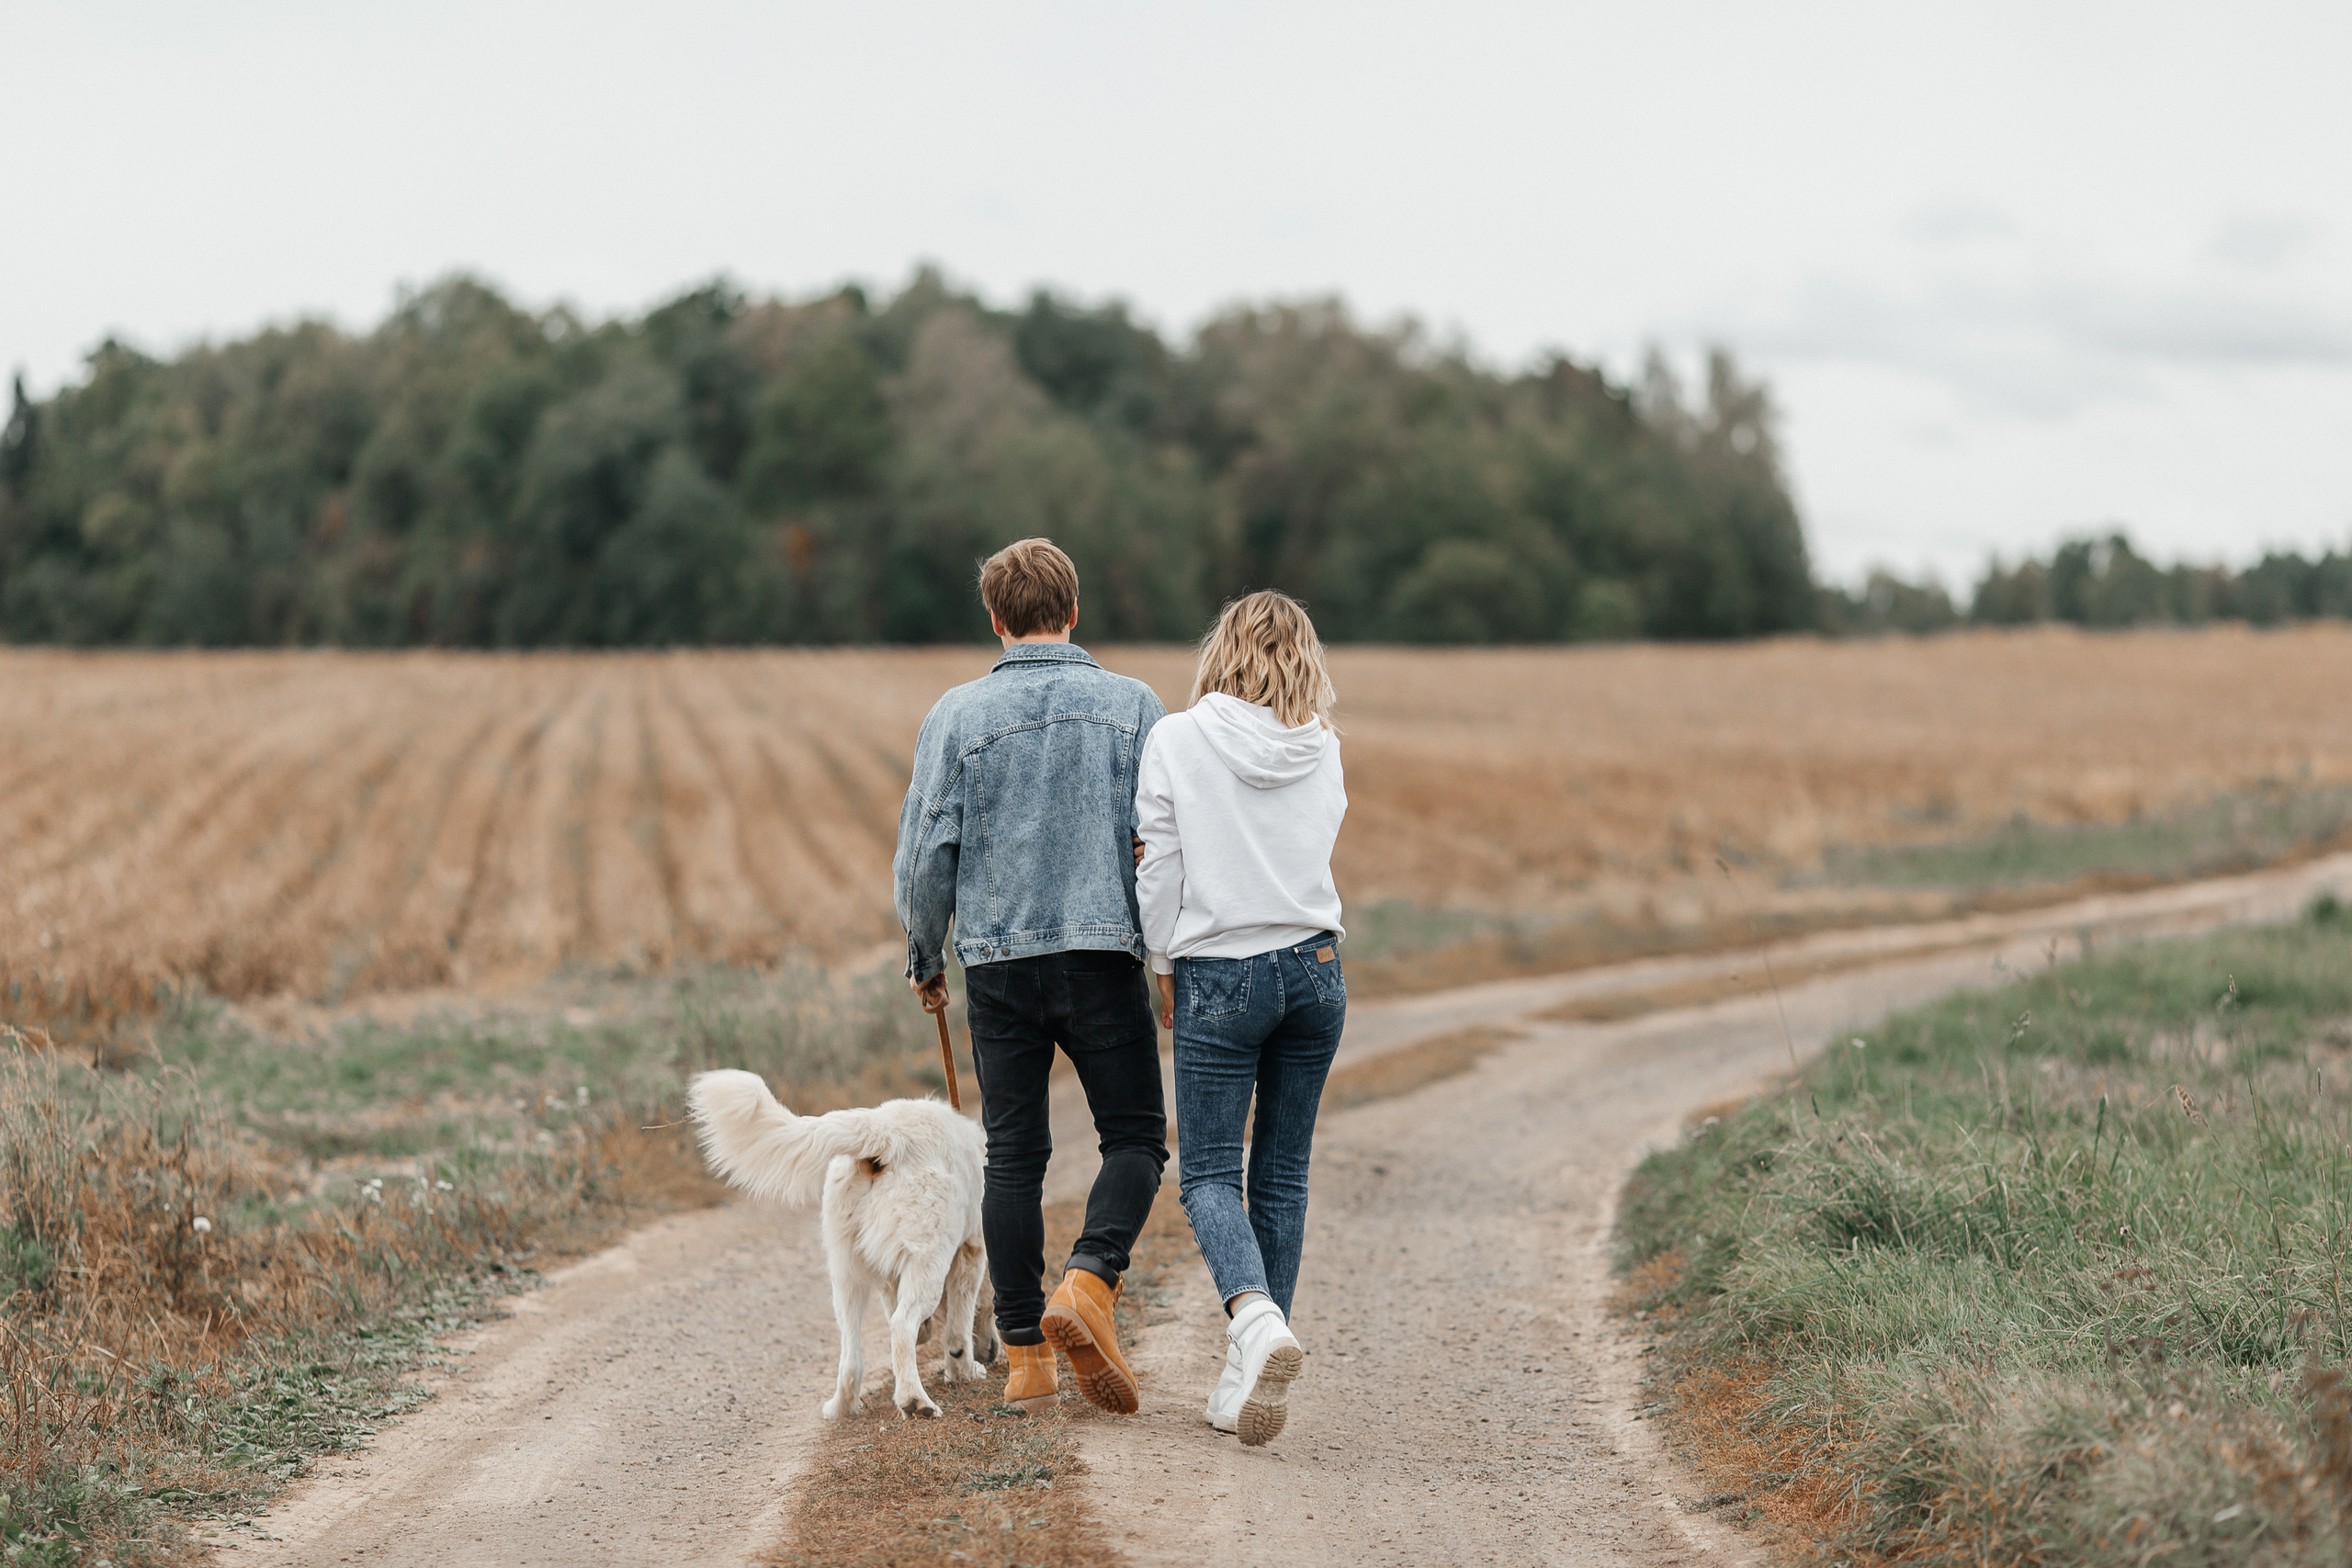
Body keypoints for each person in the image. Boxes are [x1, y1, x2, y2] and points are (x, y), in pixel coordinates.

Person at [892, 537, 1170, 1416]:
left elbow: (925, 851)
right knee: (1134, 1137)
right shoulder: (1134, 708)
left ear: (997, 618)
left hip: (1001, 963)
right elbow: (1162, 834)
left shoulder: (956, 716)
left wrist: (925, 956)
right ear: (1075, 609)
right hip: (1101, 953)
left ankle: (1023, 1358)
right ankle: (1088, 1280)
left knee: (1013, 1154)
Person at [1134, 590, 1348, 1447]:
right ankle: (1246, 1375)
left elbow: (1159, 865)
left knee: (1209, 1177)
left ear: (1220, 649)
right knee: (1283, 1173)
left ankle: (1255, 1323)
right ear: (1303, 655)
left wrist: (1160, 963)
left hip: (1220, 969)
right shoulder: (1323, 746)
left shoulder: (1177, 738)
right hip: (1318, 967)